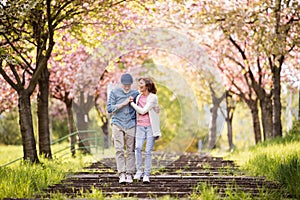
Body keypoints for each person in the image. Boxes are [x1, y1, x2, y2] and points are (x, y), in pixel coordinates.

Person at [107, 73, 139, 184]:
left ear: (131, 84)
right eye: (125, 84)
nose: (127, 86)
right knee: (119, 149)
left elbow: (143, 103)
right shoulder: (114, 93)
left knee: (131, 150)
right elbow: (109, 109)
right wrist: (124, 103)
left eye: (129, 84)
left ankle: (130, 173)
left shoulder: (135, 94)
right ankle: (122, 173)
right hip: (117, 124)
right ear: (121, 83)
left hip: (131, 124)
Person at [129, 77, 161, 183]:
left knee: (148, 151)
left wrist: (132, 103)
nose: (139, 86)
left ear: (147, 85)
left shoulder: (153, 97)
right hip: (140, 126)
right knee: (137, 148)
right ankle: (139, 171)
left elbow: (143, 111)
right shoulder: (138, 97)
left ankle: (146, 174)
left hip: (150, 127)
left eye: (141, 84)